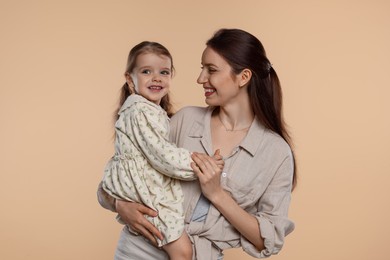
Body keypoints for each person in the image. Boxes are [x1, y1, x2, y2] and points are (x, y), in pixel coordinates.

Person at [98, 28, 297, 260]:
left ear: (243, 77)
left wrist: (217, 194)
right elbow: (120, 176)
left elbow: (269, 239)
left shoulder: (276, 152)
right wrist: (120, 204)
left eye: (211, 70)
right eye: (202, 68)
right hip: (139, 250)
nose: (200, 78)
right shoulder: (185, 119)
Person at [101, 41, 224, 260]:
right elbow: (163, 155)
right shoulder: (140, 110)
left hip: (140, 186)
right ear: (130, 79)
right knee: (183, 251)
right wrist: (200, 164)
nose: (156, 77)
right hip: (145, 191)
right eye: (146, 71)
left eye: (164, 72)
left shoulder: (153, 112)